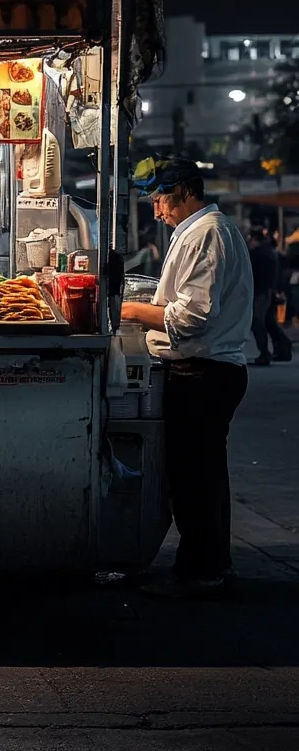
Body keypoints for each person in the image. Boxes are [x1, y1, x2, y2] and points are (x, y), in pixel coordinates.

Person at [121, 157, 253, 599]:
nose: (156, 210)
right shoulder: (198, 232)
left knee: (194, 480)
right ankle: (211, 564)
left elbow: (193, 316)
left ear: (186, 192)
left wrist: (131, 311)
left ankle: (201, 573)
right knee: (205, 477)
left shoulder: (208, 233)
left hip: (204, 374)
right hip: (208, 372)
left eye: (160, 199)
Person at [247, 226, 292, 365]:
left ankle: (265, 353)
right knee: (269, 322)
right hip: (269, 291)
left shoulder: (259, 253)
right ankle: (283, 348)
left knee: (258, 321)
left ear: (254, 239)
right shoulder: (269, 252)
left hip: (262, 292)